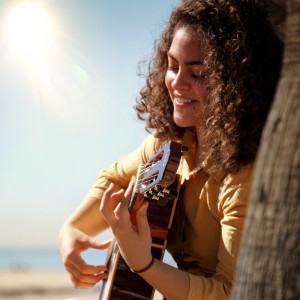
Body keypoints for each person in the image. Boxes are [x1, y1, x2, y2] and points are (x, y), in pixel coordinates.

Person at [59, 0, 283, 299]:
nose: (177, 82)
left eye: (198, 73)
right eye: (172, 66)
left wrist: (144, 264)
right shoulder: (169, 146)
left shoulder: (247, 176)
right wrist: (70, 231)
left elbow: (229, 292)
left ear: (236, 81)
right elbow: (114, 178)